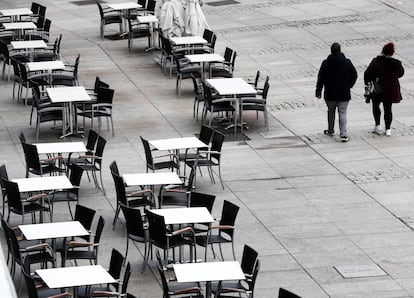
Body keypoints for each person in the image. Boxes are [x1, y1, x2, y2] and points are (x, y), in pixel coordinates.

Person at [316, 42, 358, 142]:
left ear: (331, 51)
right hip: (344, 93)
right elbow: (354, 75)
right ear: (340, 50)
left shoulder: (326, 63)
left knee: (331, 112)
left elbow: (320, 78)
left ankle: (331, 130)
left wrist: (318, 91)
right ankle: (343, 133)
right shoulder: (347, 62)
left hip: (330, 93)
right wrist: (349, 85)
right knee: (342, 113)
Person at [364, 42, 404, 136]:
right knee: (388, 108)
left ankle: (378, 125)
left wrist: (369, 84)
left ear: (383, 51)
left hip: (378, 89)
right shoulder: (396, 63)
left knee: (376, 106)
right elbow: (401, 73)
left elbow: (367, 74)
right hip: (390, 89)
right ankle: (388, 129)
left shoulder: (376, 62)